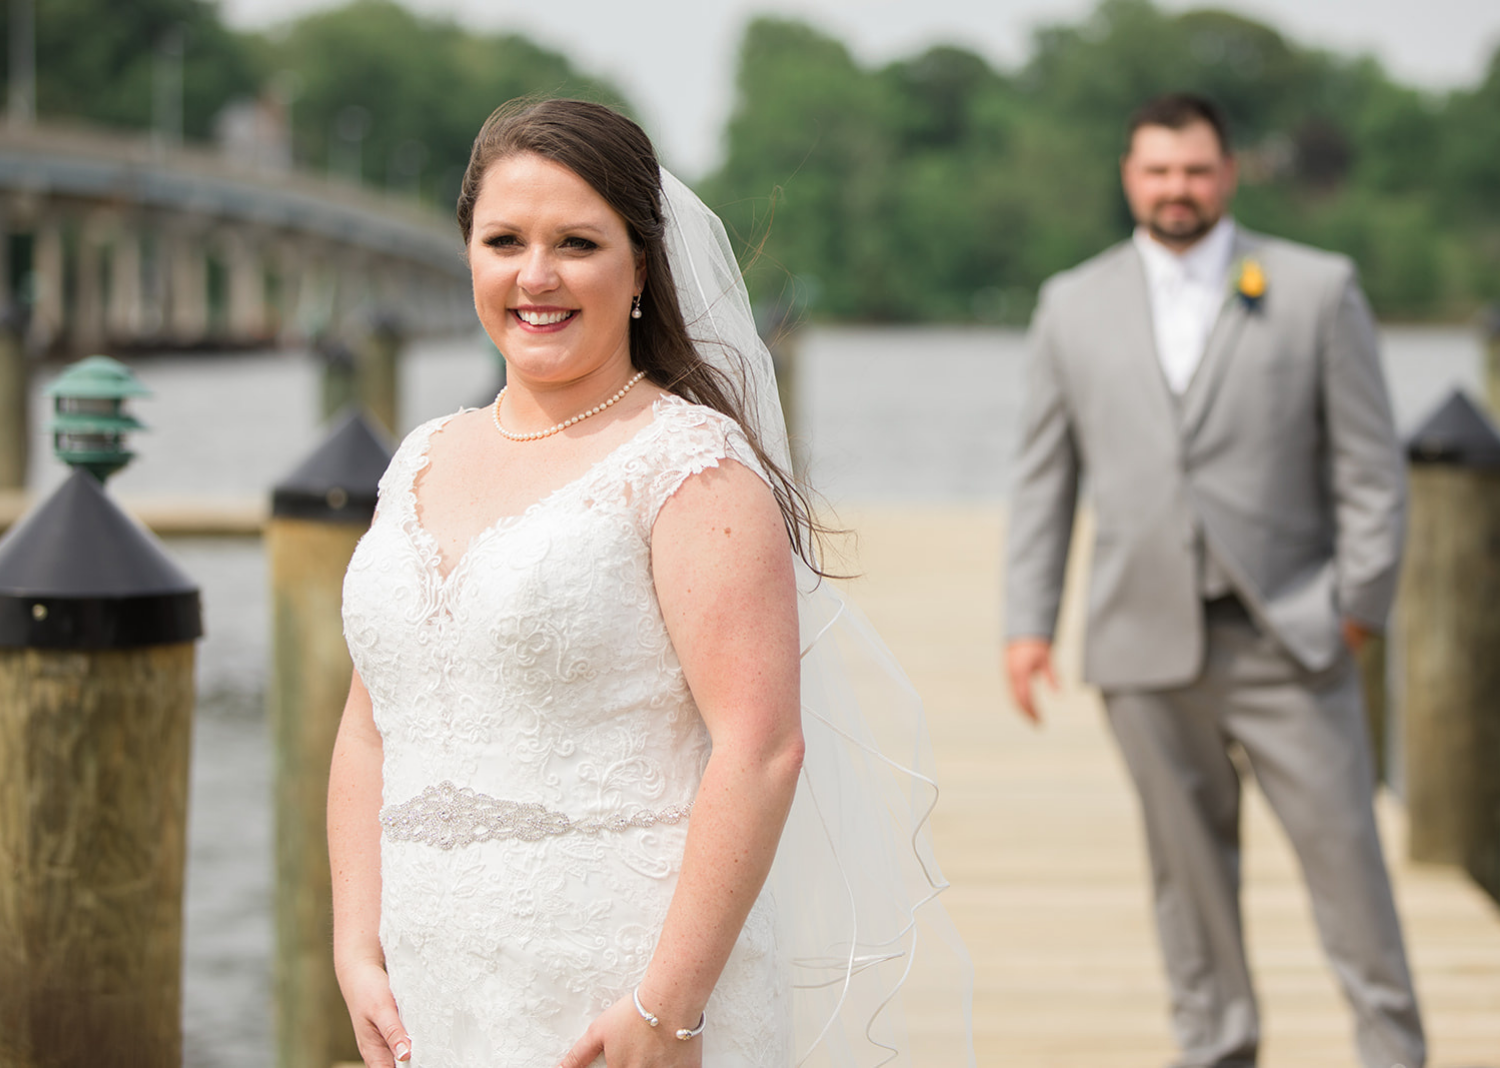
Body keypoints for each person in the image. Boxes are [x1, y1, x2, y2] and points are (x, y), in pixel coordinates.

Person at [328, 98, 972, 1068]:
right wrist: (354, 943)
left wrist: (666, 1008)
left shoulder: (688, 468)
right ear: (469, 254)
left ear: (639, 268)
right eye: (504, 240)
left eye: (577, 244)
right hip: (430, 993)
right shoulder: (421, 458)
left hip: (616, 994)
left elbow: (759, 749)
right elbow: (371, 724)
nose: (535, 276)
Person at [1003, 92, 1424, 1068]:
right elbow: (1042, 478)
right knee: (1184, 884)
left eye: (1195, 170)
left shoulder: (1318, 288)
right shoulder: (1073, 302)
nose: (1176, 189)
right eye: (1157, 170)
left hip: (1294, 638)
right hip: (1141, 645)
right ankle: (1215, 1050)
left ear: (1228, 174)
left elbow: (1371, 470)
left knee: (1350, 876)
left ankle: (1395, 1050)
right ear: (1128, 178)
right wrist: (1028, 624)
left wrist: (1358, 607)